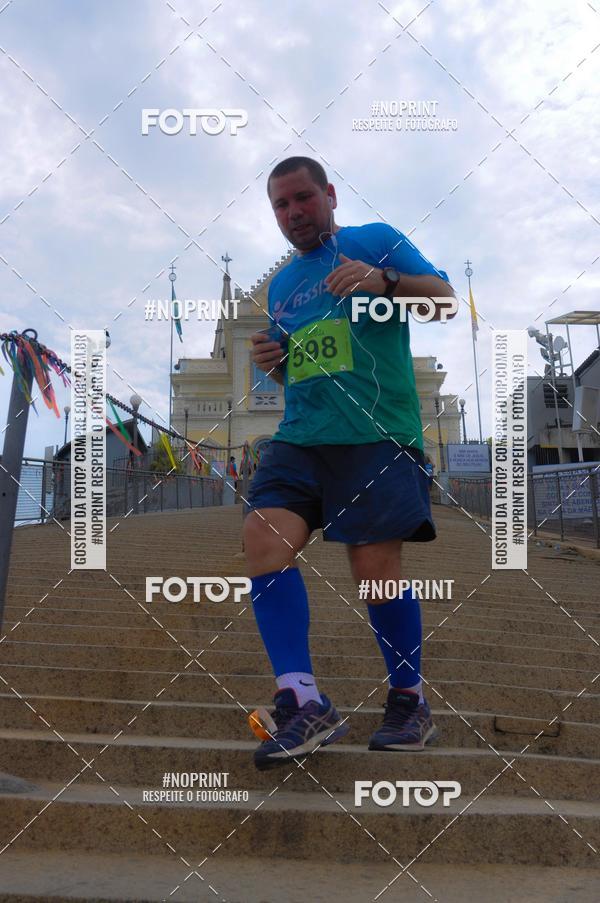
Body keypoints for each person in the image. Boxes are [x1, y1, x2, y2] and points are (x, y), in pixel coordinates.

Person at [244, 156, 456, 770]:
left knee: (374, 569)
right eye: (280, 206)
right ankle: (302, 701)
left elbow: (443, 301)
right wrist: (275, 362)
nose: (293, 213)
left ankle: (409, 699)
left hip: (376, 434)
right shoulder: (283, 285)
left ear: (329, 194)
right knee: (262, 538)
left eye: (302, 198)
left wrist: (382, 283)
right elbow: (305, 367)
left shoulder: (376, 241)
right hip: (300, 435)